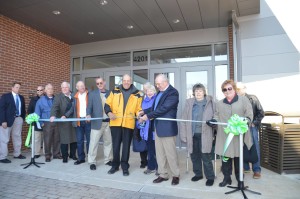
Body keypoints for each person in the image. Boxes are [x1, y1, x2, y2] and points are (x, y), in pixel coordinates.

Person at [207, 79, 253, 187]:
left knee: (238, 159)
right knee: (225, 159)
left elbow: (249, 114)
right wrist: (213, 121)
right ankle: (227, 178)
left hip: (238, 136)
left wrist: (246, 121)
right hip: (224, 136)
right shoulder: (219, 103)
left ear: (234, 89)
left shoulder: (243, 100)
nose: (227, 91)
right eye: (224, 89)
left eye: (229, 88)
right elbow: (216, 116)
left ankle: (239, 179)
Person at [139, 74, 180, 186]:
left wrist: (147, 116)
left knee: (170, 153)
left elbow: (163, 109)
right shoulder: (159, 93)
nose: (157, 86)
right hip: (157, 128)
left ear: (165, 82)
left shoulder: (173, 92)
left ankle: (175, 175)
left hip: (167, 128)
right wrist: (144, 112)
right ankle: (163, 174)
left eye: (158, 84)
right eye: (156, 84)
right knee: (160, 153)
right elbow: (154, 108)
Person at [105, 74, 142, 176]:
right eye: (124, 80)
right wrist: (109, 113)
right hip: (115, 123)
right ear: (122, 81)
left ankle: (125, 166)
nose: (126, 82)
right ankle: (115, 166)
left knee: (126, 147)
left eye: (128, 80)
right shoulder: (114, 91)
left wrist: (139, 114)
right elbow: (107, 104)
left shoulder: (137, 93)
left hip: (128, 123)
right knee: (116, 146)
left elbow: (139, 108)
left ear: (131, 81)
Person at [180, 83, 215, 186]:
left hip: (206, 134)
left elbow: (216, 117)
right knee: (194, 156)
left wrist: (214, 123)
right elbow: (183, 120)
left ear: (204, 92)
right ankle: (198, 174)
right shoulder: (189, 103)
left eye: (200, 91)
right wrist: (183, 135)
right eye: (196, 91)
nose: (198, 93)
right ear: (193, 93)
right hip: (192, 135)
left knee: (206, 156)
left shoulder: (211, 103)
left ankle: (210, 177)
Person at [236, 82, 264, 179]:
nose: (237, 91)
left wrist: (254, 123)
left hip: (251, 127)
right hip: (239, 127)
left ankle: (256, 170)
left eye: (239, 89)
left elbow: (261, 112)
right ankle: (246, 167)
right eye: (236, 89)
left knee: (254, 147)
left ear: (244, 89)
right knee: (242, 147)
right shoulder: (235, 100)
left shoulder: (253, 98)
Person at [87, 77, 113, 170]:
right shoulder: (92, 94)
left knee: (108, 142)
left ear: (104, 82)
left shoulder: (110, 93)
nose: (99, 85)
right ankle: (92, 161)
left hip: (108, 123)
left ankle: (108, 159)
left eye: (101, 83)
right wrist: (88, 114)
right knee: (93, 143)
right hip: (97, 122)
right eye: (97, 83)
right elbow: (89, 106)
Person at [50, 82, 77, 163]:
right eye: (63, 87)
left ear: (69, 88)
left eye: (66, 87)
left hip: (73, 121)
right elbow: (55, 107)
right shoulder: (58, 97)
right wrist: (53, 115)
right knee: (64, 140)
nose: (64, 89)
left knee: (74, 139)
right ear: (61, 88)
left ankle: (73, 155)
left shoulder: (74, 96)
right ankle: (65, 157)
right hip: (64, 122)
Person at [0, 82, 26, 163]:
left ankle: (17, 154)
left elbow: (23, 109)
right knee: (4, 139)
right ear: (12, 88)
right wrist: (2, 121)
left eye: (19, 87)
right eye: (16, 87)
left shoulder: (21, 97)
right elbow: (1, 109)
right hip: (7, 121)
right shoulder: (5, 96)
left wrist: (22, 118)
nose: (18, 89)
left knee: (17, 137)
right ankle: (2, 157)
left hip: (18, 119)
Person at [35, 84, 61, 162]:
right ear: (45, 90)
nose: (50, 90)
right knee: (47, 140)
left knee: (57, 139)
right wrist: (41, 122)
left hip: (57, 122)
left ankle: (56, 154)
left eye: (51, 89)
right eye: (48, 89)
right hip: (46, 123)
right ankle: (48, 155)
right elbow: (37, 113)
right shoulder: (40, 100)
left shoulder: (57, 99)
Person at [137, 84, 158, 175]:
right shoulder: (143, 101)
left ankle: (159, 169)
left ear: (154, 92)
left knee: (157, 151)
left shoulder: (157, 99)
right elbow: (141, 114)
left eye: (151, 91)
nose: (149, 92)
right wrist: (139, 121)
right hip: (146, 128)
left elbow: (154, 110)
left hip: (154, 127)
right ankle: (151, 167)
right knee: (150, 150)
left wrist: (144, 113)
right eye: (148, 91)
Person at [72, 81, 91, 165]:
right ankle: (81, 158)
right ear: (77, 88)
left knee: (90, 141)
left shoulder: (90, 95)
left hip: (88, 121)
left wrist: (90, 114)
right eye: (80, 86)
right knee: (80, 141)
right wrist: (65, 115)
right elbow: (71, 109)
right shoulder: (74, 97)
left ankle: (90, 158)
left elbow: (93, 107)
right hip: (79, 121)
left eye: (83, 85)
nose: (82, 87)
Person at [28, 85, 44, 158]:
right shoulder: (33, 99)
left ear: (43, 91)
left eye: (41, 90)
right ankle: (36, 153)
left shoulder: (46, 99)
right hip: (36, 122)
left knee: (46, 138)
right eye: (38, 90)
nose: (39, 91)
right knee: (37, 138)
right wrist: (33, 118)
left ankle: (46, 152)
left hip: (45, 122)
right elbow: (29, 111)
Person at [139, 82, 151, 169]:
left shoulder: (154, 97)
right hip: (142, 123)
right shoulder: (141, 98)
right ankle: (143, 161)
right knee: (142, 143)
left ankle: (151, 161)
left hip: (150, 123)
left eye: (147, 88)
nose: (145, 90)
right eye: (144, 88)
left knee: (150, 144)